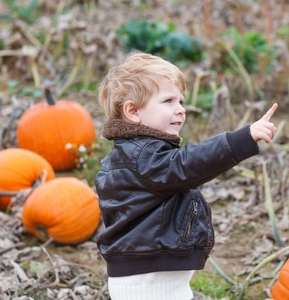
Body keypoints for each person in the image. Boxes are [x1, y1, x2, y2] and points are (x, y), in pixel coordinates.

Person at [95, 51, 278, 300]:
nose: (180, 109)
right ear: (133, 112)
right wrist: (241, 140)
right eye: (168, 101)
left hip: (150, 271)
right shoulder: (144, 156)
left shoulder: (131, 154)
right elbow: (189, 164)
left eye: (181, 101)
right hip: (149, 279)